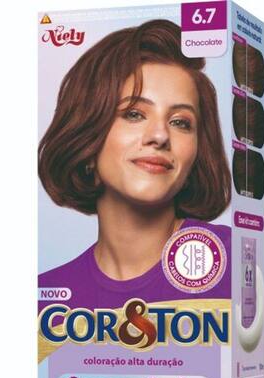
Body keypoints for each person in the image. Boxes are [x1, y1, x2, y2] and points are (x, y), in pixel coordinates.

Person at [38, 19, 231, 310]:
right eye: (134, 114)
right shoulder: (47, 300)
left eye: (180, 122)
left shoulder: (235, 265)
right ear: (86, 136)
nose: (160, 136)